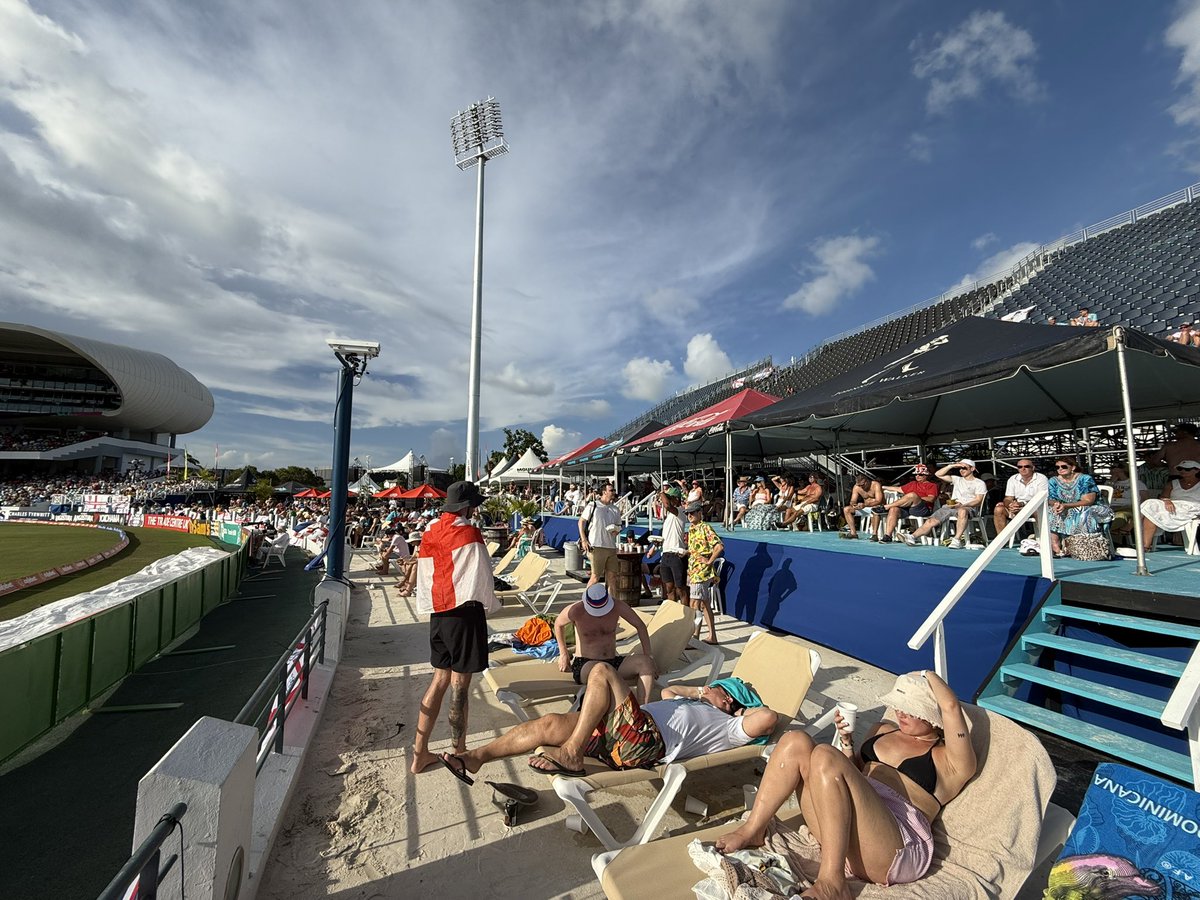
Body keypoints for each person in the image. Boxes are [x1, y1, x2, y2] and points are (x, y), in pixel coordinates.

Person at [715, 670, 976, 895]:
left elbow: (952, 707)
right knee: (796, 741)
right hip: (851, 824)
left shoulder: (950, 760)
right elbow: (853, 776)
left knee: (826, 755)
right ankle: (754, 829)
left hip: (896, 847)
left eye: (910, 708)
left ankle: (832, 881)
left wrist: (927, 674)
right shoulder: (883, 729)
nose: (900, 712)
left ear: (932, 714)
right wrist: (848, 744)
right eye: (899, 704)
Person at [438, 661, 777, 783]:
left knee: (602, 671)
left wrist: (734, 710)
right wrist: (703, 691)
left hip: (647, 743)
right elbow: (671, 690)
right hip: (625, 732)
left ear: (733, 702)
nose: (713, 691)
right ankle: (476, 758)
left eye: (723, 691)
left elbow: (768, 719)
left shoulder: (731, 727)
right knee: (552, 723)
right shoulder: (695, 698)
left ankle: (572, 751)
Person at [410, 481, 501, 776]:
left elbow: (426, 572)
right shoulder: (470, 532)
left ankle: (420, 754)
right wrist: (491, 605)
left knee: (439, 680)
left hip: (438, 613)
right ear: (467, 506)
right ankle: (459, 752)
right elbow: (482, 574)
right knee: (460, 687)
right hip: (464, 613)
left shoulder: (429, 531)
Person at [555, 582, 657, 703]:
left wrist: (648, 655)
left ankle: (642, 710)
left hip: (612, 661)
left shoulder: (617, 606)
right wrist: (563, 653)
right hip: (585, 664)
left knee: (646, 663)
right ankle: (621, 705)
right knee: (602, 669)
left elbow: (640, 626)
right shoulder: (576, 610)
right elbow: (558, 624)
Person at [904, 460, 987, 549]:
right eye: (960, 468)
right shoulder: (957, 479)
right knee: (932, 520)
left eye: (964, 468)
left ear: (972, 468)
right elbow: (938, 474)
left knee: (962, 511)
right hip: (952, 505)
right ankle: (913, 536)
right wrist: (951, 466)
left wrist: (962, 505)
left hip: (969, 507)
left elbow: (978, 500)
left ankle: (956, 540)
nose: (961, 470)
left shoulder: (979, 483)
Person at [1047, 457, 1109, 558]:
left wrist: (1066, 505)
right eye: (1057, 467)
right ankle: (1055, 545)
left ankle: (1078, 546)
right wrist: (1056, 504)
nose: (1060, 469)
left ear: (1073, 467)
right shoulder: (1053, 481)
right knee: (1051, 510)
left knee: (1081, 511)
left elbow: (1088, 501)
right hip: (1065, 507)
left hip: (1091, 507)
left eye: (1063, 466)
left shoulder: (1085, 479)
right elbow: (1051, 499)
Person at [1139, 459, 1200, 552]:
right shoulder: (1173, 483)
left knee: (1151, 511)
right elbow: (1164, 496)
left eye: (1187, 469)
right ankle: (1145, 546)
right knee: (1150, 510)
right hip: (1173, 508)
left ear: (1197, 470)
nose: (1183, 471)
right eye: (1180, 469)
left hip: (1193, 510)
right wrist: (1167, 500)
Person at [685, 499, 723, 645]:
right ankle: (712, 636)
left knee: (695, 604)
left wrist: (709, 561)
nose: (689, 515)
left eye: (692, 512)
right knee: (704, 603)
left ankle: (694, 638)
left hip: (701, 572)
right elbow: (696, 550)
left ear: (699, 513)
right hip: (695, 571)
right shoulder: (692, 529)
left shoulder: (704, 527)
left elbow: (719, 546)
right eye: (688, 513)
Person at [876, 465, 938, 543]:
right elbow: (898, 489)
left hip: (922, 509)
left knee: (912, 495)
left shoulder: (932, 485)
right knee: (894, 509)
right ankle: (888, 535)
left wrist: (916, 498)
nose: (918, 476)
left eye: (921, 474)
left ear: (926, 475)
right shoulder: (912, 483)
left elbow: (931, 499)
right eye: (916, 474)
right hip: (908, 508)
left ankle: (886, 507)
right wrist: (883, 487)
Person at [578, 481, 621, 586]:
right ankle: (586, 600)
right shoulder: (593, 505)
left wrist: (616, 530)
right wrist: (584, 539)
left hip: (611, 546)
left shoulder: (615, 509)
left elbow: (619, 526)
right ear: (604, 492)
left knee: (612, 578)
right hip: (596, 546)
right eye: (611, 490)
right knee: (595, 577)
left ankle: (611, 601)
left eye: (614, 490)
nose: (613, 492)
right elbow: (581, 521)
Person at [993, 459, 1049, 537]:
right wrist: (1011, 505)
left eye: (1026, 466)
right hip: (1018, 508)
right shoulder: (1013, 479)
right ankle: (1001, 540)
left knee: (1038, 511)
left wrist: (1022, 504)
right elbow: (1008, 498)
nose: (1023, 469)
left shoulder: (1041, 478)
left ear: (1033, 468)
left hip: (1035, 507)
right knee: (998, 509)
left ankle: (1044, 538)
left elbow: (1041, 499)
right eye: (1020, 467)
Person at [657, 484, 689, 607]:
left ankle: (685, 614)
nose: (668, 500)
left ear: (676, 499)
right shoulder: (669, 516)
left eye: (671, 498)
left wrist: (661, 493)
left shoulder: (680, 512)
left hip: (676, 554)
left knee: (680, 588)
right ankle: (673, 614)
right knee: (669, 589)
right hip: (666, 554)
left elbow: (667, 505)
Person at [1106, 463, 1147, 545]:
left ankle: (1105, 531)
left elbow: (1144, 499)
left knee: (1121, 516)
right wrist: (1112, 482)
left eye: (1116, 467)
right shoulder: (1108, 482)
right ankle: (1112, 534)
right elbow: (1103, 495)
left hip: (1127, 507)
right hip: (1110, 507)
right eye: (1112, 467)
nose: (1113, 469)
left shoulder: (1136, 483)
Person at [841, 472, 883, 540]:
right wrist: (854, 504)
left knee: (875, 509)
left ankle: (875, 534)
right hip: (865, 508)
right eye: (859, 485)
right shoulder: (856, 487)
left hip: (876, 507)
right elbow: (852, 500)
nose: (861, 487)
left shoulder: (875, 485)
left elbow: (879, 501)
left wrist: (865, 504)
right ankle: (853, 533)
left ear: (866, 481)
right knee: (846, 509)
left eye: (862, 485)